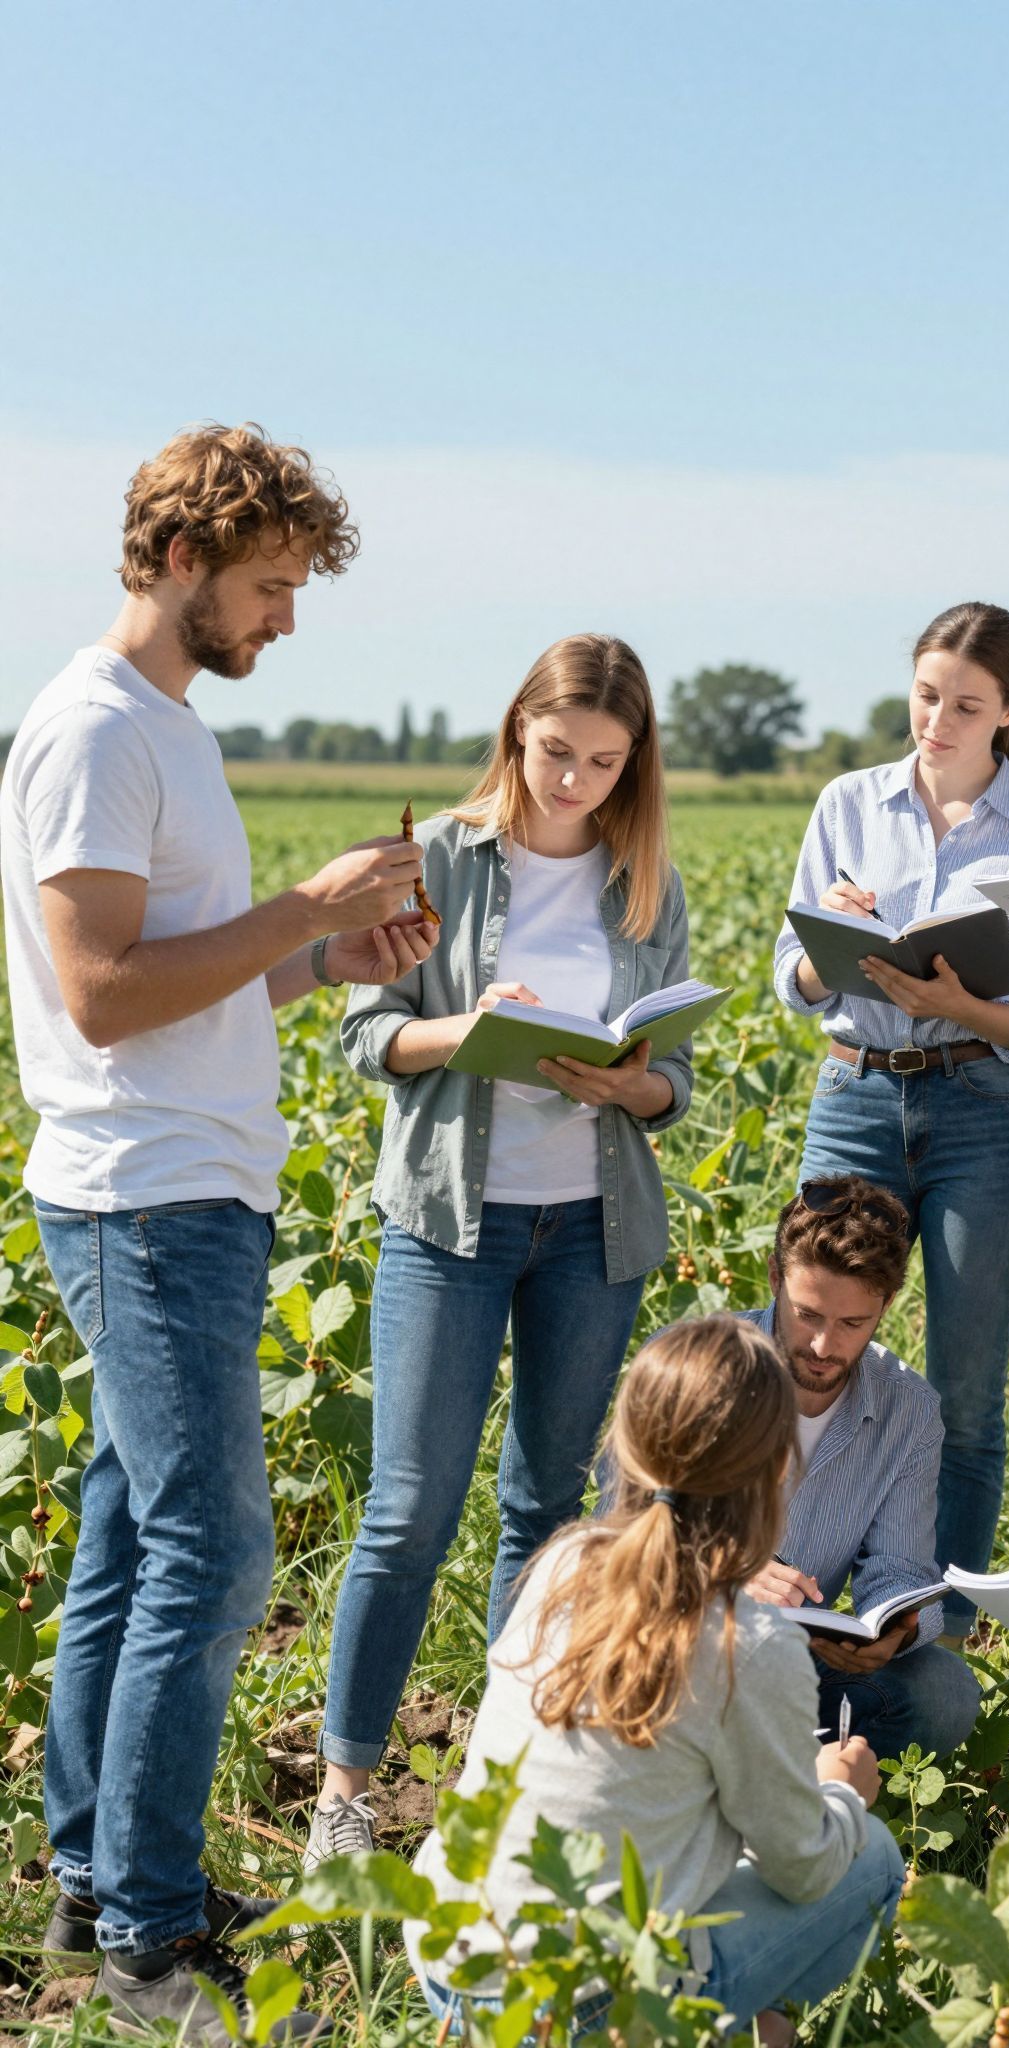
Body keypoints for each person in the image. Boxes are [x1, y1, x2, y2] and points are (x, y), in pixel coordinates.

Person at [0, 424, 438, 2038]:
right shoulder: (97, 732)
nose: (286, 621)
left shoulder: (164, 728)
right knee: (214, 1547)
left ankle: (92, 1884)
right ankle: (148, 1949)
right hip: (141, 1192)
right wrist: (306, 908)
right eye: (268, 586)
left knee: (128, 1539)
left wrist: (327, 961)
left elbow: (190, 982)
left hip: (190, 1181)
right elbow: (105, 998)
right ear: (181, 561)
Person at [307, 634, 695, 1869]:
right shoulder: (439, 859)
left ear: (634, 766)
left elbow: (671, 1072)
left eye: (603, 761)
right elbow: (367, 1035)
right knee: (407, 1511)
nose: (574, 780)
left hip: (594, 1222)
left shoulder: (643, 881)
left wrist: (634, 1088)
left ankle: (496, 1771)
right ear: (515, 730)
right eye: (555, 751)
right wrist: (465, 1032)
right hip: (447, 1221)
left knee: (547, 1509)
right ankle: (345, 1791)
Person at [403, 1314, 905, 2044]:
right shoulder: (748, 1643)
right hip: (581, 2009)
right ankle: (721, 2019)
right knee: (871, 1860)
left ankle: (742, 2017)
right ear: (774, 1474)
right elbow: (802, 1868)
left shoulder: (561, 1566)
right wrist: (840, 1792)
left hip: (451, 1958)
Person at [772, 601, 1009, 1635]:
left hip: (980, 1106)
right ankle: (776, 1588)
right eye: (925, 696)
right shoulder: (848, 803)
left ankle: (930, 1631)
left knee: (965, 1390)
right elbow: (794, 977)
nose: (937, 720)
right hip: (855, 1089)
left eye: (965, 704)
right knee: (801, 1344)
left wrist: (964, 1007)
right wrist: (840, 942)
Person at [740, 1176, 981, 1758]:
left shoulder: (909, 1409)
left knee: (944, 1692)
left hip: (800, 1664)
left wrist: (893, 1633)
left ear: (886, 1307)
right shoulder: (696, 1360)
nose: (824, 1345)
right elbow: (618, 1534)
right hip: (682, 1648)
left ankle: (781, 1757)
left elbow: (900, 1567)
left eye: (852, 1324)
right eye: (807, 1315)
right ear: (775, 1278)